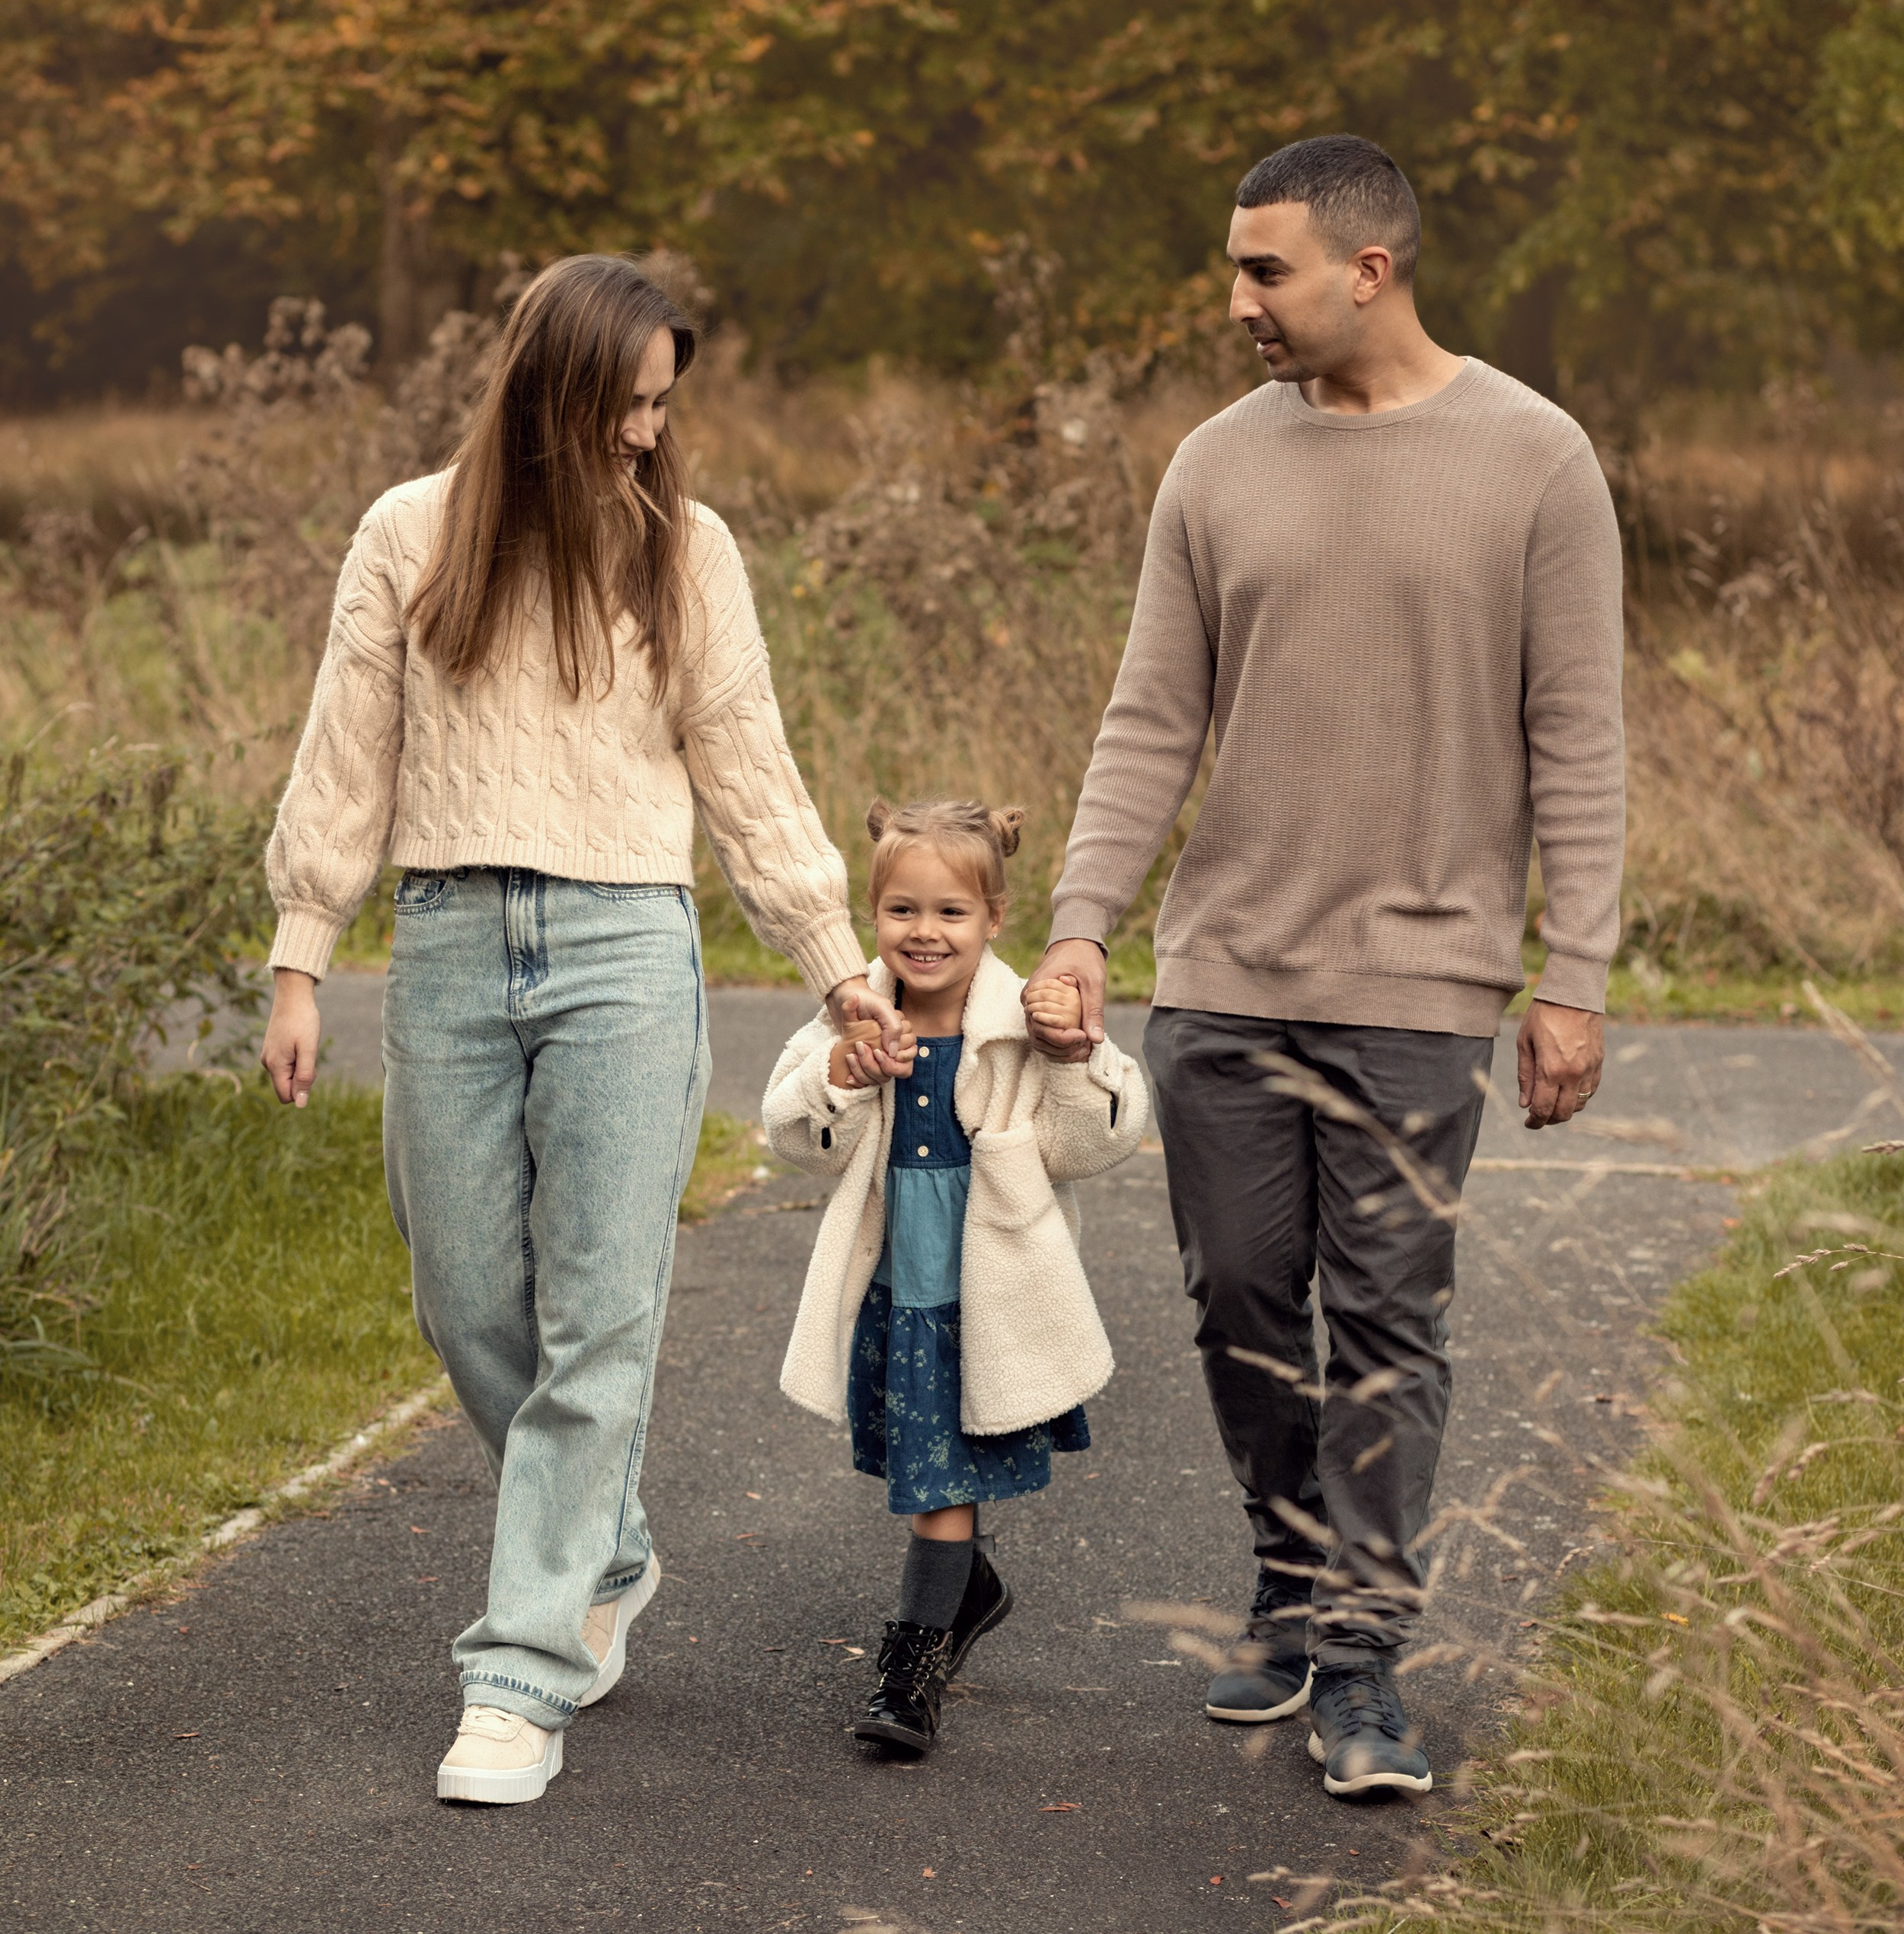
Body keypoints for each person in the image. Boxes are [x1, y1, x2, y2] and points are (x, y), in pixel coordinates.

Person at [1022, 136, 1624, 1802]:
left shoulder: (1531, 459)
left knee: (1383, 1322)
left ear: (1368, 268)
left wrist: (1569, 969)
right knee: (1235, 1303)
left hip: (1423, 982)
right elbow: (1150, 718)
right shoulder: (1214, 466)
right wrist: (1079, 923)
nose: (1236, 304)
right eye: (1232, 269)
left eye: (1263, 272)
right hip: (1224, 966)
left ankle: (1359, 1654)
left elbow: (1575, 736)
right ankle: (1285, 1576)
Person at [260, 254, 905, 1808]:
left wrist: (833, 962)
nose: (641, 435)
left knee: (599, 1319)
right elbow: (349, 750)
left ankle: (522, 1671)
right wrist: (300, 954)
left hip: (625, 944)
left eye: (660, 406)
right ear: (546, 390)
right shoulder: (409, 533)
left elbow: (748, 770)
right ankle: (604, 1546)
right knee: (466, 1293)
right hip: (448, 941)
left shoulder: (687, 554)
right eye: (622, 404)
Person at [764, 798, 1147, 1757]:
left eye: (950, 914)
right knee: (927, 1467)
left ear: (994, 919)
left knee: (939, 1477)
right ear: (872, 914)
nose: (923, 934)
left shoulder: (1025, 1026)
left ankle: (915, 1665)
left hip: (982, 1300)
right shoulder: (850, 1019)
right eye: (901, 911)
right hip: (897, 1294)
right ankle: (966, 1587)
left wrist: (1074, 1055)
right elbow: (794, 1136)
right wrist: (845, 1079)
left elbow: (1095, 1141)